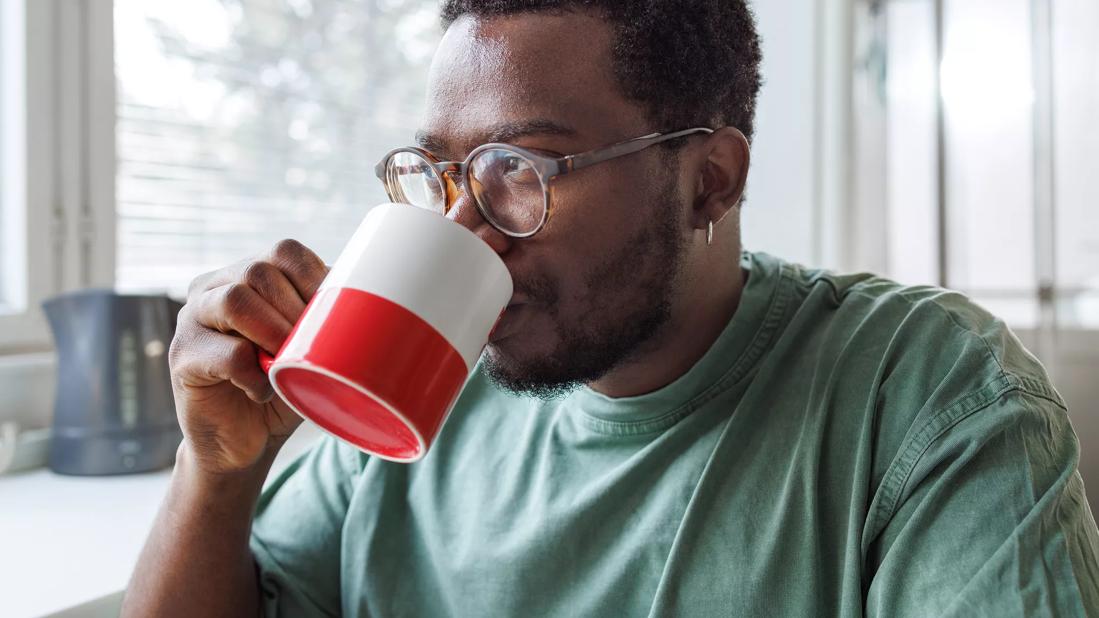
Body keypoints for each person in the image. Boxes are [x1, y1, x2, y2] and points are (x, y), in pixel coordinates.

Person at [122, 1, 1099, 616]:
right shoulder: (421, 384)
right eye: (444, 172)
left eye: (521, 169)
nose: (469, 229)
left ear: (709, 180)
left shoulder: (929, 393)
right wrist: (215, 471)